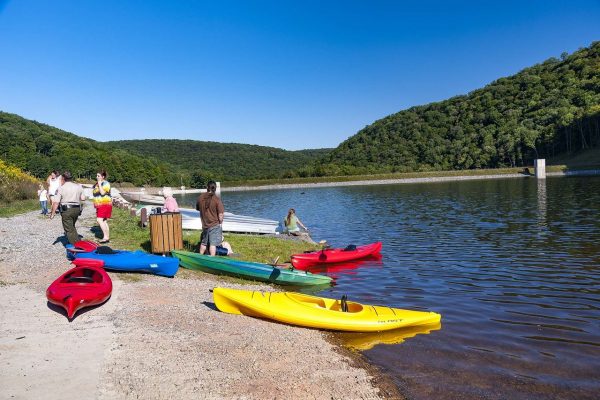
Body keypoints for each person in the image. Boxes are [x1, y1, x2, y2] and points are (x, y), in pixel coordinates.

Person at [49, 171, 86, 245]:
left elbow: (56, 202)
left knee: (68, 229)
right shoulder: (78, 186)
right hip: (77, 209)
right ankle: (79, 242)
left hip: (66, 210)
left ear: (63, 178)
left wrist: (52, 214)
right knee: (72, 226)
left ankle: (76, 246)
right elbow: (83, 198)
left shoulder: (61, 188)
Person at [195, 180, 224, 256]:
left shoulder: (200, 197)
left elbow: (198, 208)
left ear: (207, 187)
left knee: (204, 243)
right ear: (215, 188)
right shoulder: (217, 200)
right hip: (214, 225)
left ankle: (200, 256)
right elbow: (220, 215)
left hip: (204, 224)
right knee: (213, 244)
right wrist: (220, 223)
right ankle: (212, 259)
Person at [92, 170, 112, 243]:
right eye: (96, 176)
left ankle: (105, 237)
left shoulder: (106, 183)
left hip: (105, 204)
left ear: (103, 177)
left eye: (98, 176)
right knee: (104, 220)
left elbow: (103, 193)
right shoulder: (97, 184)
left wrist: (100, 184)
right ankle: (107, 237)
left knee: (99, 220)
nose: (97, 177)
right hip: (99, 205)